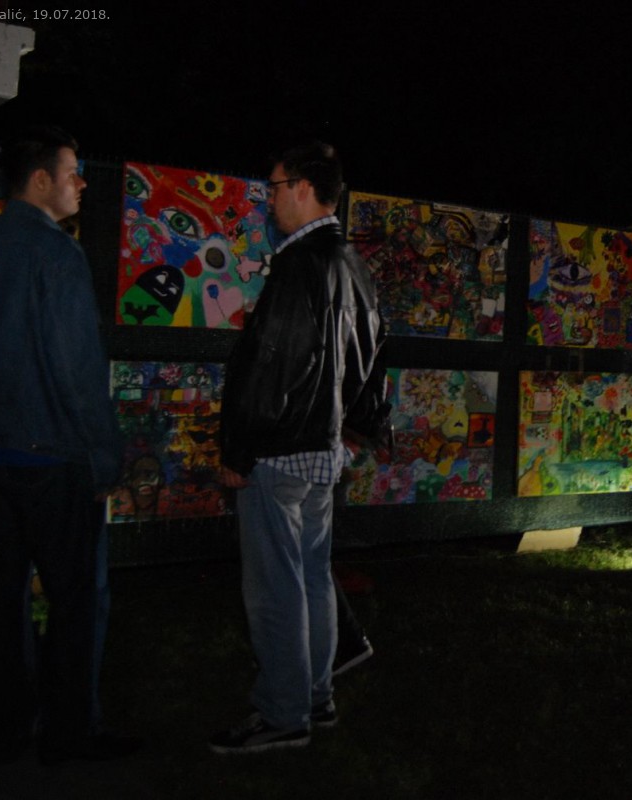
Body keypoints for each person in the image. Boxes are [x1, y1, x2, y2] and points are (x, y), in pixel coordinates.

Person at [211, 141, 386, 754]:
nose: (268, 200)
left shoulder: (298, 265)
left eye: (275, 187)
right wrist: (358, 427)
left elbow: (271, 367)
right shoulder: (350, 262)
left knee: (276, 587)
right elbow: (373, 355)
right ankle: (315, 696)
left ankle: (283, 711)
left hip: (281, 449)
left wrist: (238, 451)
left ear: (304, 189)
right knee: (311, 576)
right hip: (323, 451)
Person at [0, 125, 135, 765]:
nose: (82, 183)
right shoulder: (57, 254)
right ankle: (71, 732)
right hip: (55, 461)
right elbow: (77, 371)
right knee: (76, 602)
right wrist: (105, 459)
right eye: (73, 172)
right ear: (40, 179)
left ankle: (6, 728)